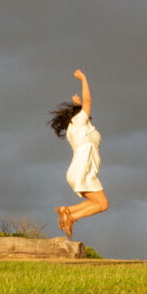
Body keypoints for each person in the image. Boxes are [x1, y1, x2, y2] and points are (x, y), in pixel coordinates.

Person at [49, 69, 109, 239]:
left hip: (81, 170)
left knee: (98, 203)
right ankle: (70, 214)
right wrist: (84, 79)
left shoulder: (77, 126)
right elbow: (89, 100)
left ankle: (68, 212)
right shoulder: (79, 122)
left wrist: (78, 105)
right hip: (82, 170)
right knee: (103, 204)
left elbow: (84, 108)